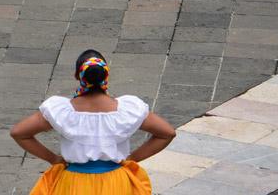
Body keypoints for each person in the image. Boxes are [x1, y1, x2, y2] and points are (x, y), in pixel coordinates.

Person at [9, 50, 176, 195]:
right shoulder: (127, 110)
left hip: (74, 183)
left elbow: (19, 133)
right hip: (116, 182)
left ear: (78, 76)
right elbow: (167, 133)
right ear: (106, 75)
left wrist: (53, 159)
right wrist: (133, 158)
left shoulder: (62, 111)